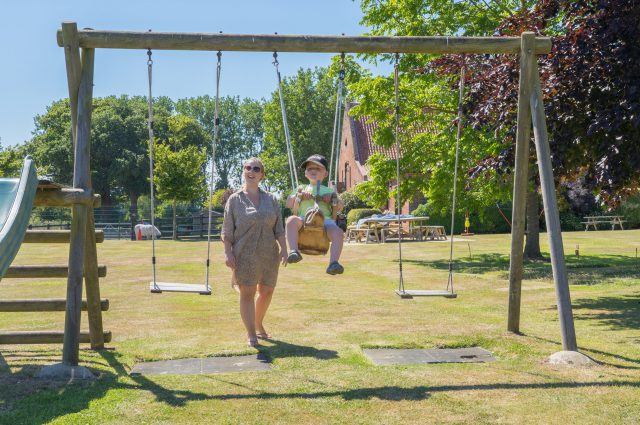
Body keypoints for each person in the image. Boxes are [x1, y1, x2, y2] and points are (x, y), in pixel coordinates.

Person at [222, 157, 288, 347]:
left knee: (267, 291)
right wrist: (228, 253)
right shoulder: (235, 200)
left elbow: (279, 229)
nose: (251, 171)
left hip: (269, 253)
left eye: (256, 168)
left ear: (261, 174)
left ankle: (258, 323)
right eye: (247, 167)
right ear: (244, 171)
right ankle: (251, 333)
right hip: (245, 253)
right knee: (248, 292)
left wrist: (284, 248)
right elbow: (227, 230)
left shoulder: (272, 199)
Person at [285, 154, 345, 275]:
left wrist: (332, 199)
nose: (313, 171)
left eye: (318, 168)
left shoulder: (329, 190)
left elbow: (339, 207)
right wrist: (298, 196)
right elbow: (288, 204)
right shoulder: (301, 188)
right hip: (303, 220)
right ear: (306, 173)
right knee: (291, 220)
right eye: (310, 168)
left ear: (325, 174)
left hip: (325, 222)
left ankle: (333, 263)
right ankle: (294, 251)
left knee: (338, 233)